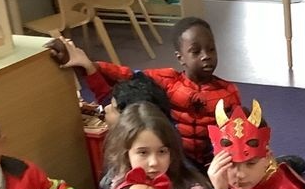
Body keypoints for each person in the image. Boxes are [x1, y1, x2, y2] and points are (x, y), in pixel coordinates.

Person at [56, 20, 240, 170]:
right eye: (195, 51)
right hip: (172, 159)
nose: (206, 56)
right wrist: (89, 65)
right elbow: (126, 76)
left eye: (211, 49)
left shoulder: (228, 92)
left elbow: (238, 134)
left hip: (213, 162)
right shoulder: (168, 81)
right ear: (180, 57)